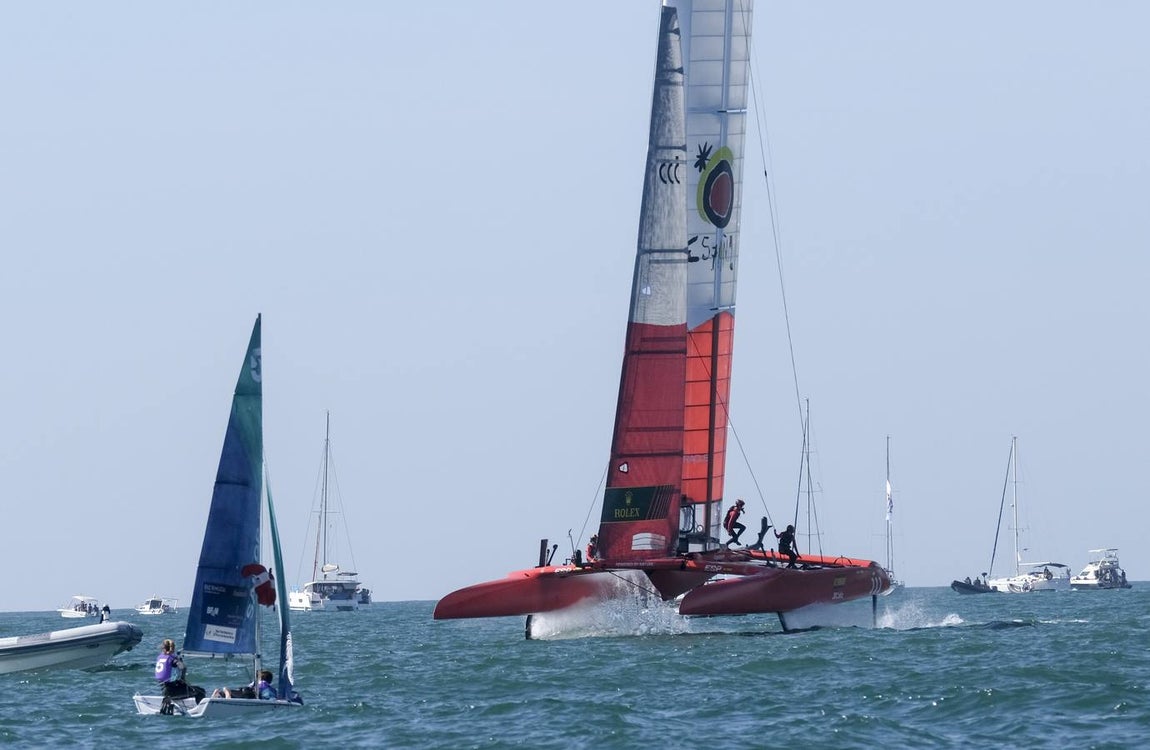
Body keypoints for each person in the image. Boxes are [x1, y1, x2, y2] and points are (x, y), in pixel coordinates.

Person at [154, 639, 206, 707]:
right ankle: (199, 709)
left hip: (164, 690)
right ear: (173, 648)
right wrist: (183, 678)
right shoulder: (172, 659)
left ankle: (182, 705)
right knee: (201, 691)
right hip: (173, 692)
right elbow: (183, 667)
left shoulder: (160, 658)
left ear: (162, 648)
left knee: (187, 688)